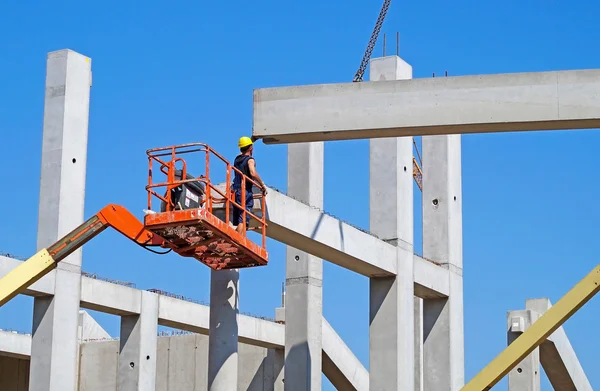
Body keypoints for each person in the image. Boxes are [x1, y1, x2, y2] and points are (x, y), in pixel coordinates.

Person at [232, 136, 266, 234]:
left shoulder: (237, 159)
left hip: (236, 191)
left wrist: (252, 141)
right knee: (243, 219)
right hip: (245, 191)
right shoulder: (250, 160)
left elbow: (242, 154)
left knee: (240, 219)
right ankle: (237, 240)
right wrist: (262, 185)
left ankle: (235, 236)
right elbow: (252, 173)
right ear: (251, 148)